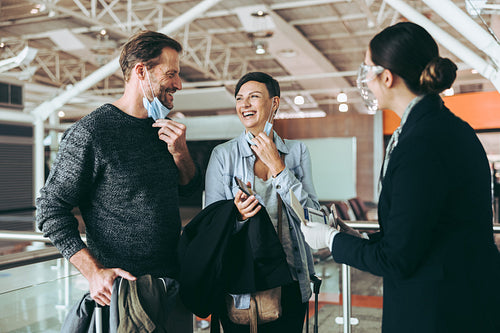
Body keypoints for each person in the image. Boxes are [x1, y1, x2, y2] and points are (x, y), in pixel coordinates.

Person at [300, 22, 500, 333]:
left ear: (388, 77)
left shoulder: (421, 144)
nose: (365, 78)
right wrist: (362, 239)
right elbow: (426, 230)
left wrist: (330, 240)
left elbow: (398, 259)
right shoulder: (445, 128)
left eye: (367, 68)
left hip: (437, 312)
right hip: (466, 300)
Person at [36, 30, 201, 330]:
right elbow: (49, 209)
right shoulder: (92, 133)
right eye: (171, 74)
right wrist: (93, 272)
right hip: (125, 295)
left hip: (172, 287)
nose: (178, 84)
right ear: (142, 71)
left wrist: (180, 154)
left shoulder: (161, 129)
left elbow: (189, 188)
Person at [204, 71, 320, 332]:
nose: (244, 105)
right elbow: (210, 226)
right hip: (240, 283)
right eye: (239, 99)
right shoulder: (223, 155)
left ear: (274, 104)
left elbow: (312, 215)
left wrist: (279, 168)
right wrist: (237, 216)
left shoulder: (297, 152)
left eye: (254, 97)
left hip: (291, 279)